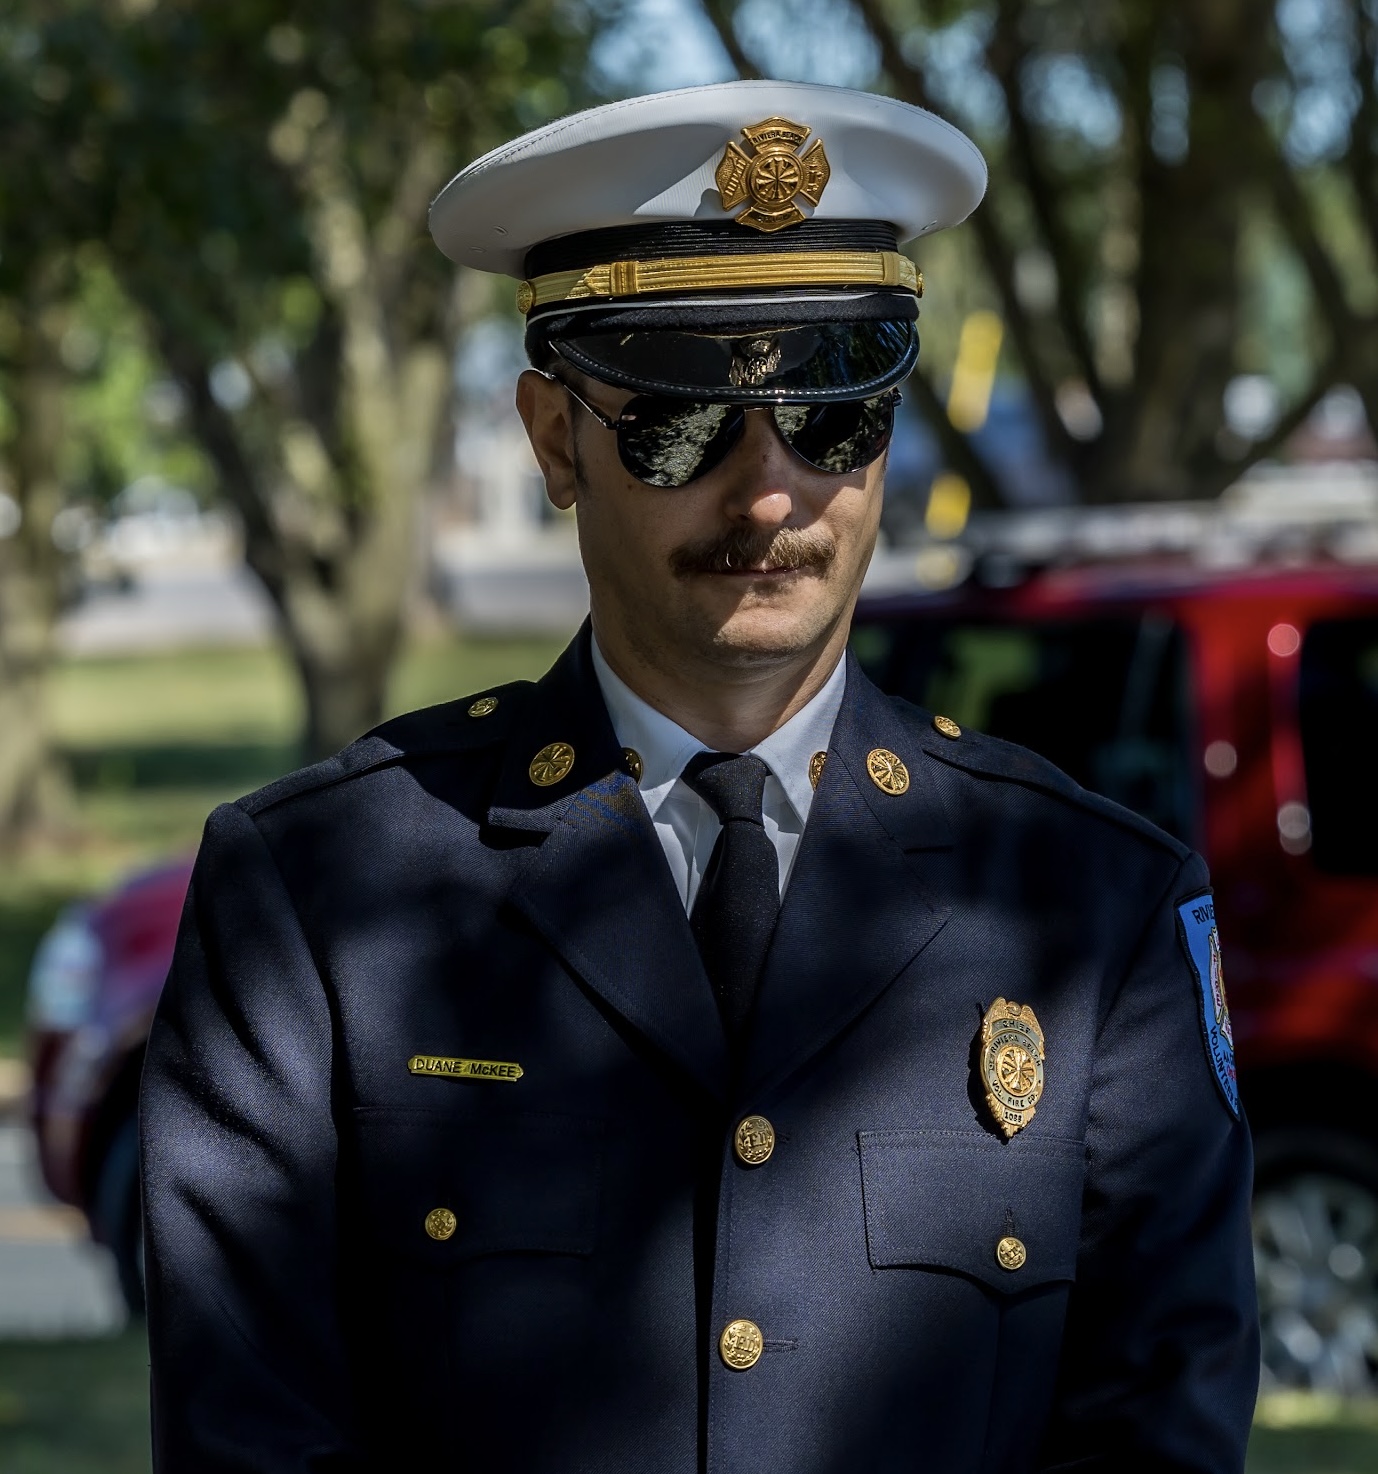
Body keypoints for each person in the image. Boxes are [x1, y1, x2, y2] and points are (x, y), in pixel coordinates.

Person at [140, 81, 1258, 1473]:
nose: (770, 490)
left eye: (831, 409)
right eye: (680, 418)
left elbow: (1159, 1428)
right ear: (555, 439)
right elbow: (248, 1437)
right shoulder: (316, 898)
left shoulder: (1094, 906)